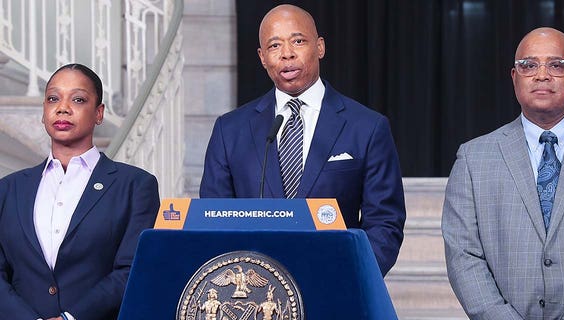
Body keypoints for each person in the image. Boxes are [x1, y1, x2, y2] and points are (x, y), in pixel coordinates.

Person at [441, 27, 564, 319]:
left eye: (557, 65)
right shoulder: (474, 158)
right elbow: (463, 256)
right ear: (514, 77)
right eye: (529, 65)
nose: (542, 74)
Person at [199, 4, 405, 276]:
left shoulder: (367, 127)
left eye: (298, 41)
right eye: (274, 46)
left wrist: (352, 278)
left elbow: (384, 224)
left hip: (336, 287)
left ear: (319, 47)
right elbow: (214, 221)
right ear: (262, 57)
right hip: (255, 295)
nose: (287, 54)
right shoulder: (230, 131)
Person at [0, 63, 160, 320]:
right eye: (53, 98)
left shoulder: (135, 186)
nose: (62, 108)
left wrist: (69, 318)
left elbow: (132, 269)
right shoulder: (9, 189)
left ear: (99, 113)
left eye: (78, 99)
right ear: (44, 112)